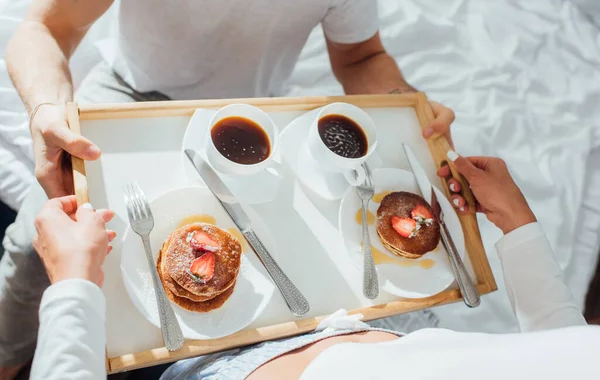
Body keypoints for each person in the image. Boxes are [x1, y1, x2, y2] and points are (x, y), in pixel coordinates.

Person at [1, 0, 459, 376]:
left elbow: (361, 56)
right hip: (125, 99)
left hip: (254, 121)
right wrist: (45, 108)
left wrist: (407, 104)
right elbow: (45, 28)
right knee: (28, 244)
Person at [29, 151, 598, 379]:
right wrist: (520, 227)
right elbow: (566, 352)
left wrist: (74, 284)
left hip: (225, 365)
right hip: (382, 328)